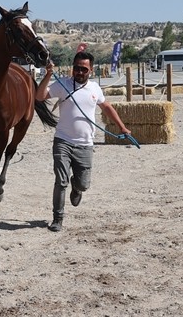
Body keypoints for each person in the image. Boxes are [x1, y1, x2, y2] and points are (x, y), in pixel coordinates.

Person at [34, 51, 131, 233]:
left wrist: (122, 127)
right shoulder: (62, 83)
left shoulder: (95, 89)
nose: (79, 72)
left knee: (84, 184)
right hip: (63, 141)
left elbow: (107, 107)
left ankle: (77, 188)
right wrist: (48, 75)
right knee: (60, 181)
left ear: (91, 70)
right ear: (73, 68)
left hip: (85, 144)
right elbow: (40, 96)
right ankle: (58, 218)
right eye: (77, 68)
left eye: (83, 69)